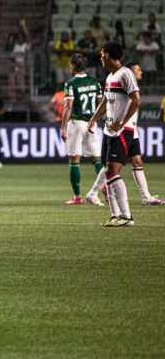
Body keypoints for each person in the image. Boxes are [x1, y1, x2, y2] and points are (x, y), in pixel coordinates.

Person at [85, 44, 140, 226]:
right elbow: (105, 102)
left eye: (102, 55)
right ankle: (116, 215)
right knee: (108, 173)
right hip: (109, 131)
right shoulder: (110, 77)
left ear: (109, 56)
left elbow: (136, 99)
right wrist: (93, 118)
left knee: (112, 171)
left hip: (122, 131)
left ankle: (127, 216)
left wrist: (122, 122)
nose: (101, 58)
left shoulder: (126, 74)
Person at [60, 54, 104, 205]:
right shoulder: (95, 82)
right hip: (92, 123)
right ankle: (104, 189)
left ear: (73, 65)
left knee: (74, 158)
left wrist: (63, 127)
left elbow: (68, 106)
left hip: (77, 123)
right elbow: (101, 105)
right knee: (97, 159)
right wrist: (95, 121)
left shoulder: (71, 83)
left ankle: (77, 197)